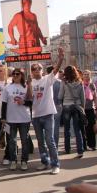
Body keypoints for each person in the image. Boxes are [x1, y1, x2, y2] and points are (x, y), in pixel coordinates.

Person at [29, 47, 63, 175]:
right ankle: (44, 162)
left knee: (50, 140)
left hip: (48, 114)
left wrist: (60, 59)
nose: (36, 70)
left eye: (38, 68)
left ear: (42, 70)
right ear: (32, 72)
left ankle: (55, 164)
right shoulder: (30, 83)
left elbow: (56, 70)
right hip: (36, 116)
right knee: (41, 142)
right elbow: (29, 98)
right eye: (34, 69)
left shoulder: (48, 79)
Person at [1, 68, 32, 171]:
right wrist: (3, 118)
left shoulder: (27, 87)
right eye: (13, 74)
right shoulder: (7, 88)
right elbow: (4, 104)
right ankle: (13, 161)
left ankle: (24, 161)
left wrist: (23, 102)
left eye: (17, 74)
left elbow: (31, 103)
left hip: (24, 119)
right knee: (11, 141)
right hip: (11, 119)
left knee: (24, 141)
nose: (15, 76)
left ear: (22, 75)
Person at [58, 65, 85, 158]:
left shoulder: (63, 82)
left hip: (66, 106)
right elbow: (83, 97)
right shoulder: (80, 82)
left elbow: (60, 96)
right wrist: (82, 108)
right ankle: (80, 150)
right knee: (77, 130)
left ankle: (67, 149)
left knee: (67, 129)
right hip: (77, 107)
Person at [82, 70, 97, 151]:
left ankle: (92, 145)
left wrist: (96, 107)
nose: (86, 76)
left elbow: (95, 97)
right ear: (82, 76)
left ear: (90, 75)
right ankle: (84, 146)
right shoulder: (80, 85)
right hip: (82, 109)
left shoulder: (92, 85)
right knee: (84, 128)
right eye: (84, 74)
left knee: (91, 127)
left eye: (87, 74)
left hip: (91, 109)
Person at [49, 67, 64, 148]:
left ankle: (50, 144)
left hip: (49, 106)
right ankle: (56, 145)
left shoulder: (46, 82)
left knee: (48, 127)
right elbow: (62, 96)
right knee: (56, 127)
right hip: (58, 106)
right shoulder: (60, 82)